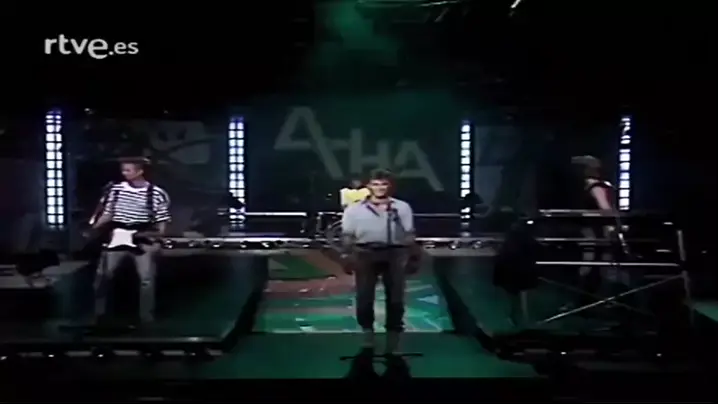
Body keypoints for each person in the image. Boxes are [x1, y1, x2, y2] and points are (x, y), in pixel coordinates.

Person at [340, 169, 420, 354]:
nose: (380, 188)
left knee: (396, 297)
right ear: (368, 186)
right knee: (364, 296)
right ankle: (368, 334)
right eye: (375, 184)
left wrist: (413, 255)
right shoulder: (354, 209)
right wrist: (346, 255)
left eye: (384, 184)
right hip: (365, 253)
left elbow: (409, 233)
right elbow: (347, 235)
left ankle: (393, 337)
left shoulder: (401, 207)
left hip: (395, 253)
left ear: (390, 186)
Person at [89, 157, 171, 324]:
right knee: (103, 275)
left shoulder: (156, 193)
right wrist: (93, 228)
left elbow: (162, 220)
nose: (124, 173)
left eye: (128, 170)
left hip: (142, 238)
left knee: (146, 279)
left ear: (140, 171)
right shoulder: (116, 190)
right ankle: (99, 314)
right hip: (118, 236)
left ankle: (146, 317)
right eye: (123, 170)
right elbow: (108, 213)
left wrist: (157, 238)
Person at [570, 155, 629, 309]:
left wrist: (612, 227)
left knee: (594, 263)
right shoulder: (599, 186)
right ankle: (592, 301)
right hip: (595, 231)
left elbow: (605, 208)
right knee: (596, 264)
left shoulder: (595, 187)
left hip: (597, 232)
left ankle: (588, 301)